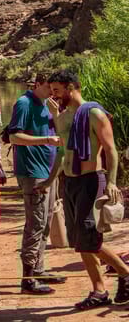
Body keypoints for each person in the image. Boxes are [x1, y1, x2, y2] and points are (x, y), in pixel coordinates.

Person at [41, 70, 129, 310]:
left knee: (89, 237)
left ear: (71, 87)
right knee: (80, 240)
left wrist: (111, 182)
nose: (54, 96)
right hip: (69, 182)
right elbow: (61, 152)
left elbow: (110, 150)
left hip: (90, 180)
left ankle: (125, 272)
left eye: (57, 90)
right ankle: (99, 290)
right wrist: (50, 181)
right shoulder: (63, 115)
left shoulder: (94, 112)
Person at [6, 73, 65, 294]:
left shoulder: (48, 106)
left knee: (46, 222)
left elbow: (59, 133)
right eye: (49, 87)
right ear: (38, 84)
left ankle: (38, 269)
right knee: (35, 223)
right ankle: (27, 278)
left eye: (55, 88)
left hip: (48, 171)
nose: (53, 92)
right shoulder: (24, 103)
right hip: (32, 172)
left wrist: (56, 114)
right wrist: (46, 140)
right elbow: (14, 137)